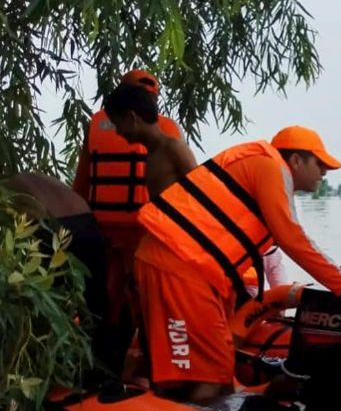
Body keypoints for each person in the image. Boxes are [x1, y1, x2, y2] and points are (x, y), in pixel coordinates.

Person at [133, 124, 341, 404]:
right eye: (320, 164)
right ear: (296, 160)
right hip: (179, 266)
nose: (325, 172)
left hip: (184, 266)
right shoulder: (271, 166)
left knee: (212, 371)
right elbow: (292, 238)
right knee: (212, 379)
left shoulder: (261, 168)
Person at [71, 70, 184, 364]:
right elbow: (190, 191)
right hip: (143, 231)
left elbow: (81, 183)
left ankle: (103, 361)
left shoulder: (96, 124)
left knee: (104, 300)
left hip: (102, 228)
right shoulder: (167, 131)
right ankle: (150, 363)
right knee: (143, 300)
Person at [1, 172, 120, 376]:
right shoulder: (29, 178)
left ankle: (55, 369)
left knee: (44, 310)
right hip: (86, 222)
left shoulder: (7, 193)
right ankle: (106, 372)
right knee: (96, 309)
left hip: (50, 228)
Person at [100, 82, 198, 198]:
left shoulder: (174, 148)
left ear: (131, 117)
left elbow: (202, 192)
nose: (118, 132)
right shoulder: (151, 155)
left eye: (118, 124)